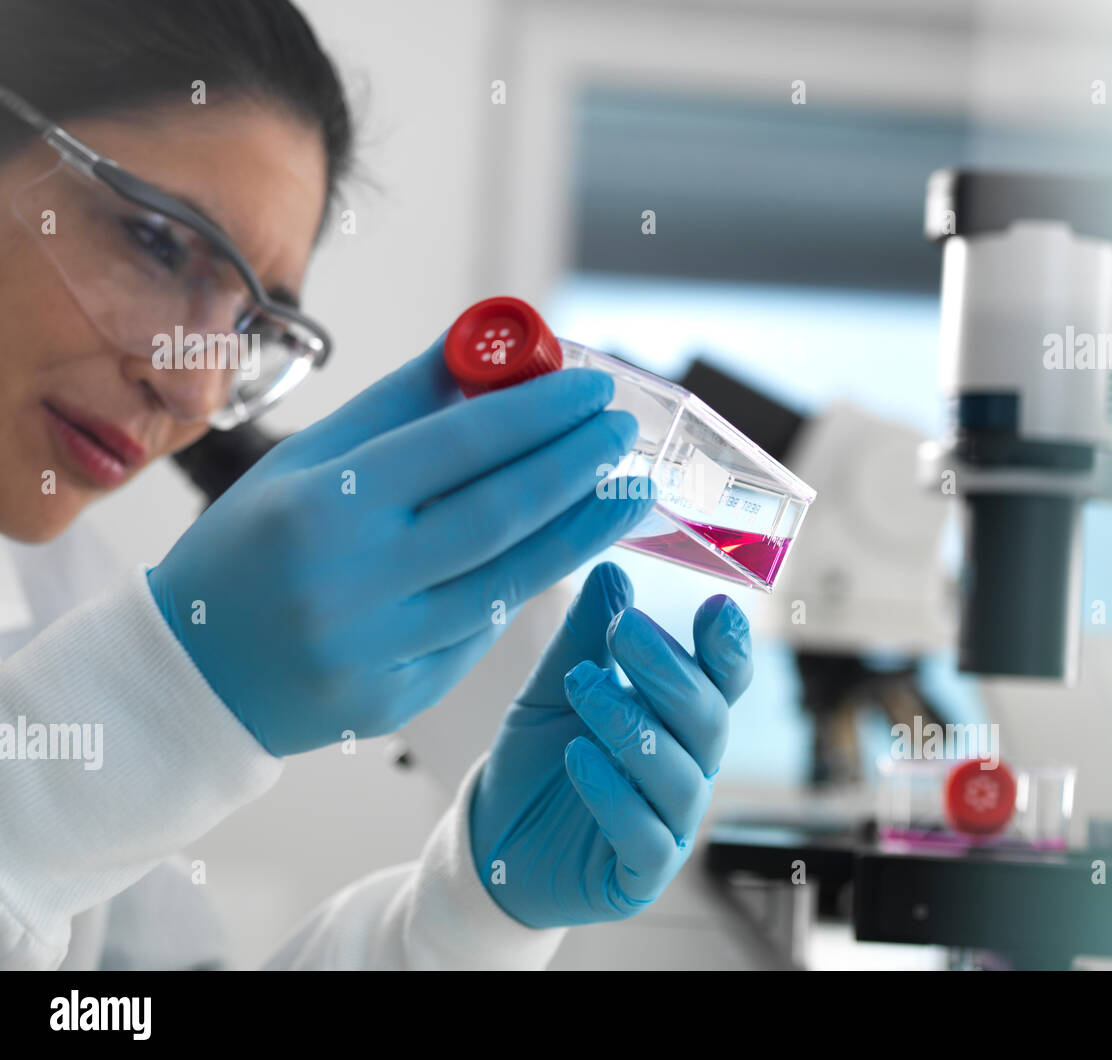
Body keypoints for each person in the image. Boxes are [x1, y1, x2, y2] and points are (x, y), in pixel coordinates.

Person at [0, 0, 752, 970]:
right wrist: (160, 708)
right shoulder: (98, 646)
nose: (194, 388)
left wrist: (463, 921)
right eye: (155, 242)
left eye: (255, 327)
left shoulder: (57, 594)